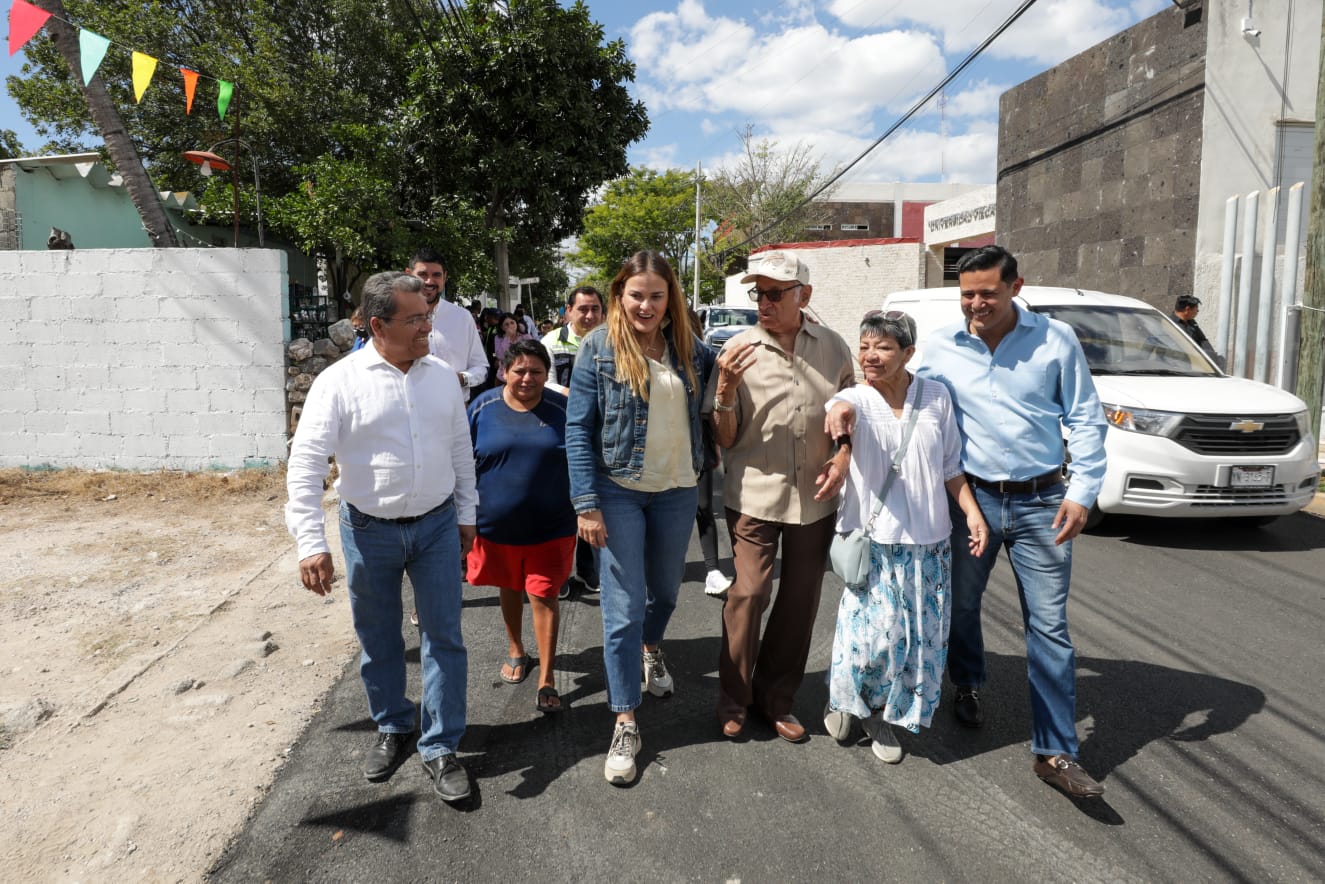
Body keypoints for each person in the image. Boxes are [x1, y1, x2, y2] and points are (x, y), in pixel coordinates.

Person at [916, 245, 1108, 798]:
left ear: (1016, 287)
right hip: (971, 502)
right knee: (962, 604)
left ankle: (1054, 751)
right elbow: (911, 403)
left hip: (1043, 503)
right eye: (967, 294)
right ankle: (968, 683)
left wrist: (1083, 492)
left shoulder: (1055, 340)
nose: (976, 304)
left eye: (987, 294)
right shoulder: (941, 347)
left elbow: (1087, 420)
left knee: (1048, 627)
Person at [285, 271, 477, 804]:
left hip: (438, 526)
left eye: (428, 315)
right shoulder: (339, 382)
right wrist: (310, 542)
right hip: (368, 530)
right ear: (377, 325)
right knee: (379, 638)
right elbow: (305, 466)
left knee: (445, 638)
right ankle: (395, 726)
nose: (428, 326)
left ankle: (440, 745)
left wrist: (468, 514)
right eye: (415, 319)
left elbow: (461, 449)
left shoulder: (442, 376)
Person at [565, 250, 714, 786]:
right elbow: (578, 429)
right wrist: (586, 504)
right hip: (619, 490)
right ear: (619, 296)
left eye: (656, 295)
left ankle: (652, 650)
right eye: (636, 295)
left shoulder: (692, 349)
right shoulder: (598, 348)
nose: (646, 305)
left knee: (668, 594)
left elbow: (716, 406)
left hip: (676, 489)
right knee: (622, 608)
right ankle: (625, 718)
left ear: (670, 297)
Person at [818, 311, 988, 764]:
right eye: (865, 346)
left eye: (884, 347)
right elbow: (839, 413)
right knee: (873, 636)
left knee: (915, 640)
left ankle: (881, 714)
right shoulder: (854, 396)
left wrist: (972, 513)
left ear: (909, 353)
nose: (870, 356)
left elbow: (951, 467)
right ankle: (846, 700)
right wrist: (838, 425)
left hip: (929, 540)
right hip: (875, 541)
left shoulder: (936, 396)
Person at [705, 249, 855, 742]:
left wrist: (843, 454)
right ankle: (734, 698)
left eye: (774, 294)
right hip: (754, 495)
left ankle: (777, 699)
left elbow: (855, 409)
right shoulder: (738, 350)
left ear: (803, 296)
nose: (763, 304)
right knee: (748, 593)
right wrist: (725, 386)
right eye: (758, 294)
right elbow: (724, 437)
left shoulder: (833, 348)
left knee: (800, 599)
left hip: (815, 496)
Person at [467, 339, 576, 713]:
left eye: (537, 372)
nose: (528, 378)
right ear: (504, 371)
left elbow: (584, 458)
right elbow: (462, 464)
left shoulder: (563, 409)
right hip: (495, 528)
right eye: (520, 371)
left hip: (553, 526)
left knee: (543, 594)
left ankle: (546, 677)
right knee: (509, 588)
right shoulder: (482, 407)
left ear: (548, 375)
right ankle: (516, 648)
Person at [542, 285, 607, 598]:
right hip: (559, 431)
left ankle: (589, 570)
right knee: (561, 506)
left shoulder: (612, 340)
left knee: (592, 502)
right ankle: (561, 573)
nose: (589, 315)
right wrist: (575, 395)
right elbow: (543, 382)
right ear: (568, 311)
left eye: (595, 308)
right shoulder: (551, 342)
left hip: (601, 436)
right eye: (582, 309)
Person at [688, 307, 733, 598]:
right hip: (663, 447)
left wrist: (715, 444)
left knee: (703, 506)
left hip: (699, 441)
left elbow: (712, 404)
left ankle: (712, 570)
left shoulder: (703, 356)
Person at [405, 248, 488, 401]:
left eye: (436, 275)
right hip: (408, 410)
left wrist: (460, 379)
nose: (429, 281)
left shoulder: (462, 317)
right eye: (422, 274)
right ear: (409, 275)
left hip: (454, 411)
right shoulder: (396, 317)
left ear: (445, 277)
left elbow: (481, 368)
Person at [1172, 294, 1223, 367]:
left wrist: (1213, 357)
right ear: (1188, 309)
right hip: (1180, 365)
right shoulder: (1170, 325)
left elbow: (1202, 340)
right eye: (1197, 310)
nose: (1197, 312)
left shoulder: (1191, 322)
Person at [492, 312, 534, 383]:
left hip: (521, 376)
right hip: (503, 377)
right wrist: (507, 337)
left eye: (512, 323)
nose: (510, 326)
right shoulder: (498, 338)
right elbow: (500, 355)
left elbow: (532, 354)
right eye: (506, 324)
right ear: (502, 327)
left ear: (516, 324)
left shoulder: (526, 337)